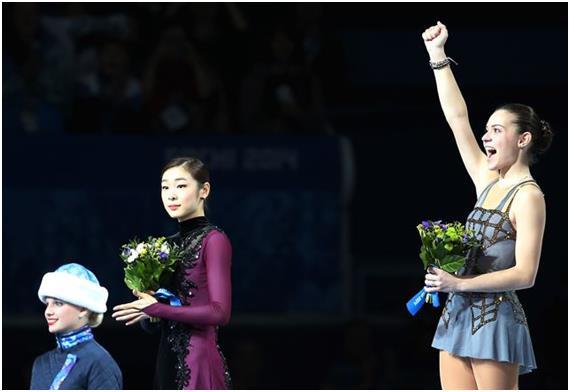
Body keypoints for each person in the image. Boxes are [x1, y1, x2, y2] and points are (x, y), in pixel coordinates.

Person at [421, 21, 553, 389]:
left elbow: (525, 275)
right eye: (488, 129)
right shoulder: (487, 178)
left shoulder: (528, 196)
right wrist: (437, 57)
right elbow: (457, 119)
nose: (485, 135)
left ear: (523, 139)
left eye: (497, 130)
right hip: (457, 316)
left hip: (494, 320)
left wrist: (459, 284)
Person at [112, 157, 232, 389]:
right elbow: (159, 320)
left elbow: (220, 313)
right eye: (165, 187)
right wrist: (150, 314)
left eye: (181, 185)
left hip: (197, 361)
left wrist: (156, 308)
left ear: (204, 190)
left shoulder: (214, 240)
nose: (171, 194)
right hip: (166, 357)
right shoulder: (164, 247)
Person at [30, 263, 122, 389]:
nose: (48, 311)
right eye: (47, 303)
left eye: (58, 303)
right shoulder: (41, 364)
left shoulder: (99, 362)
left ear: (83, 308)